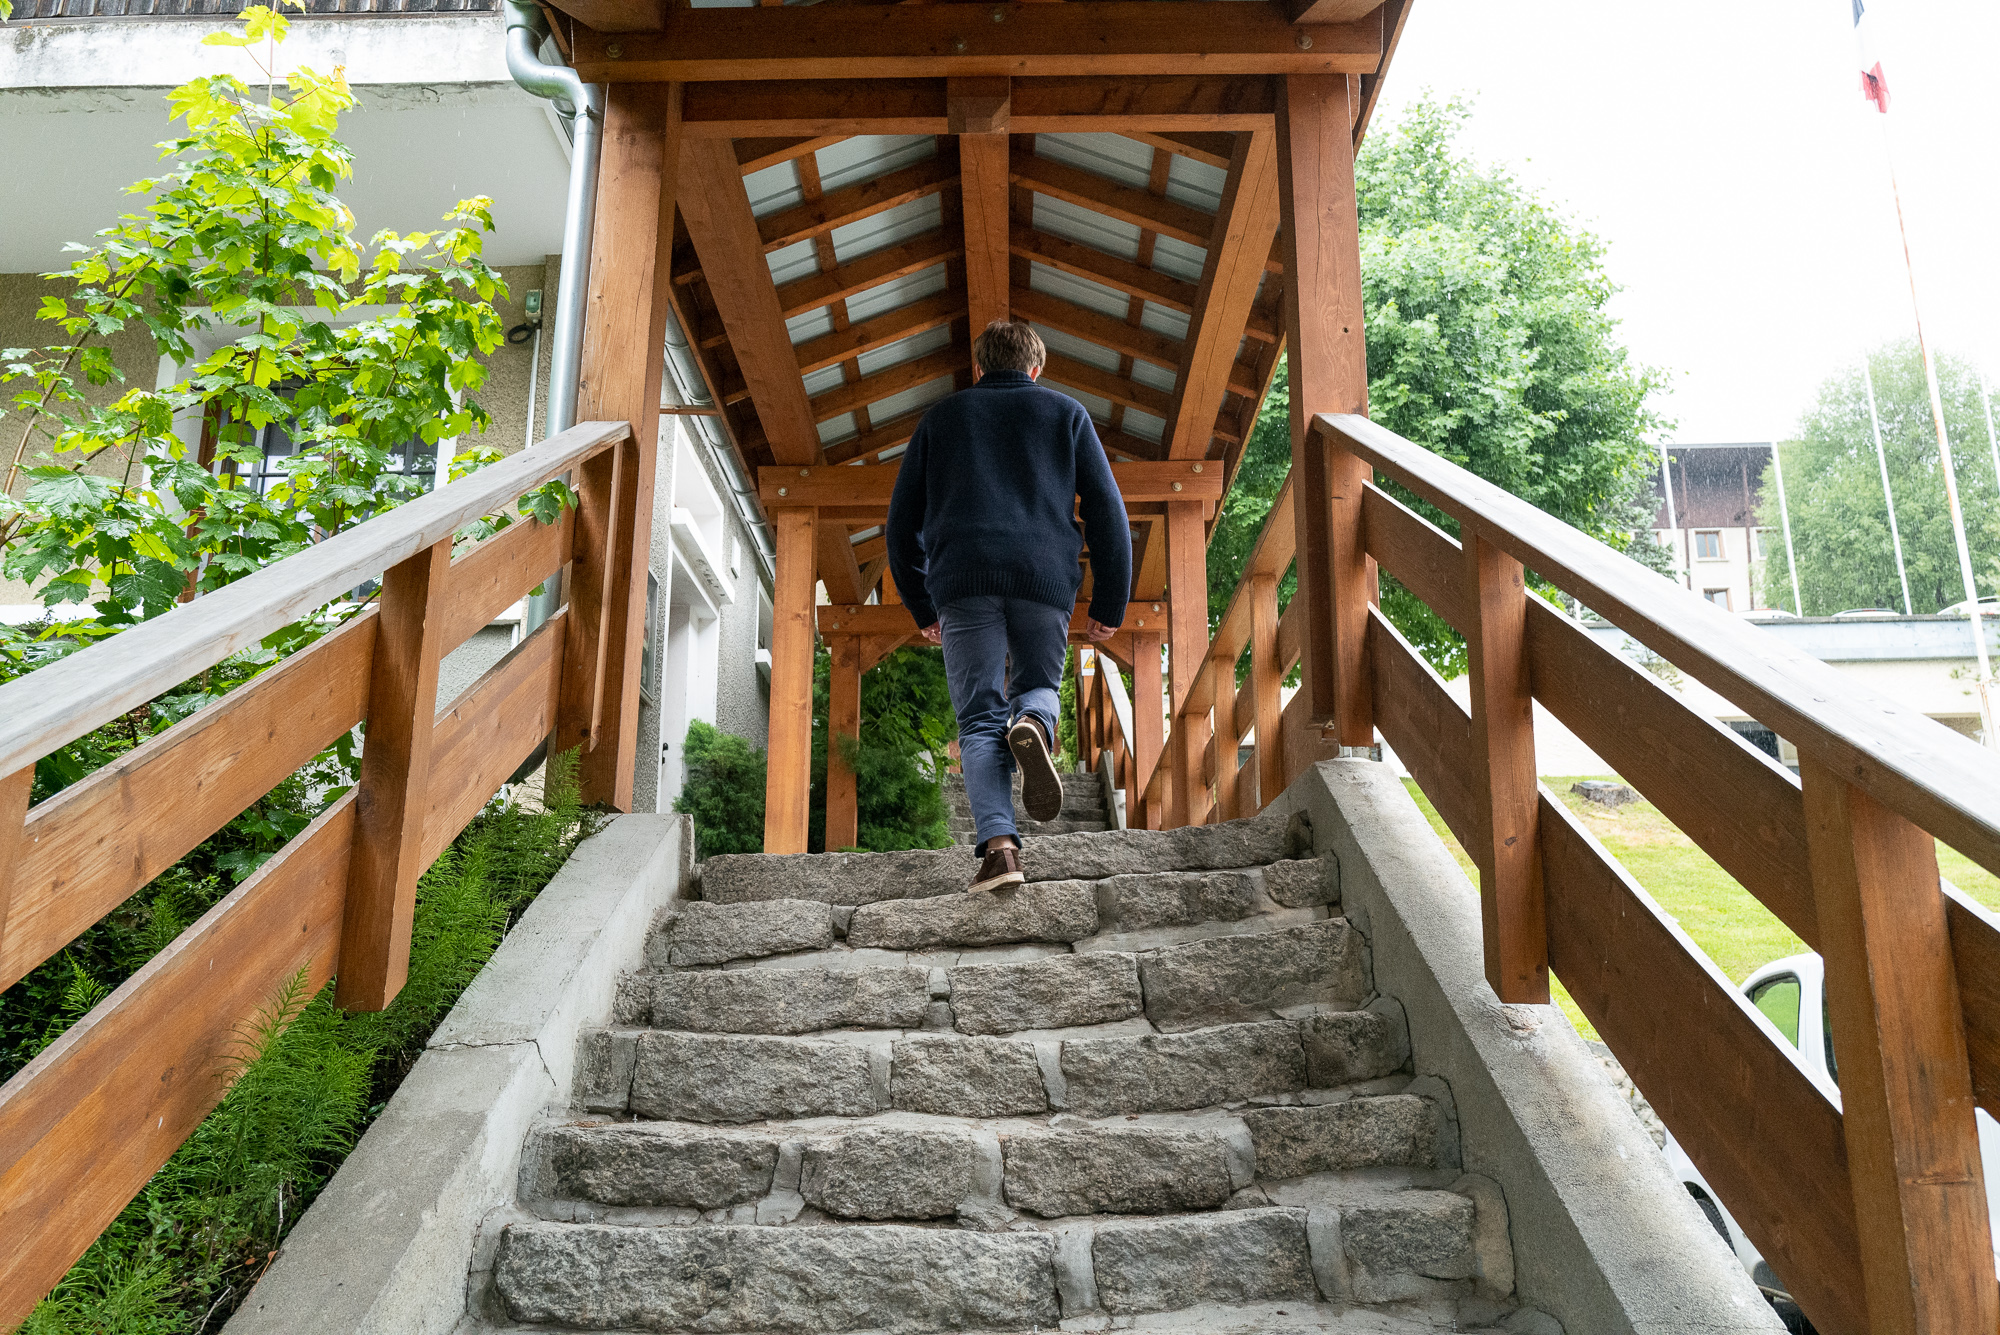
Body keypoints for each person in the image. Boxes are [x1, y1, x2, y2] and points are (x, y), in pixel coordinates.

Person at [887, 320, 1131, 892]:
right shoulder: (1066, 413)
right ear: (1035, 368)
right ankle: (1035, 723)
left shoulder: (940, 419)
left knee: (977, 718)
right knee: (1038, 684)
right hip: (1044, 579)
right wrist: (1110, 600)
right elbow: (1107, 510)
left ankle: (1000, 854)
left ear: (977, 368)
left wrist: (921, 605)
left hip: (964, 582)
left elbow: (901, 525)